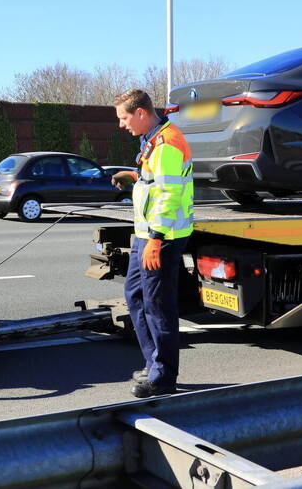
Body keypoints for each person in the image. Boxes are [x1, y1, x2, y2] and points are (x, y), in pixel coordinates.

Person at [111, 88, 194, 397]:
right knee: (135, 295)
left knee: (158, 305)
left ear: (141, 113)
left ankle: (163, 377)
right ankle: (153, 362)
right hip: (148, 234)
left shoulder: (167, 143)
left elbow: (169, 194)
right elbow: (156, 181)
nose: (122, 125)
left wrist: (156, 239)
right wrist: (132, 176)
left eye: (124, 118)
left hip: (163, 236)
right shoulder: (155, 139)